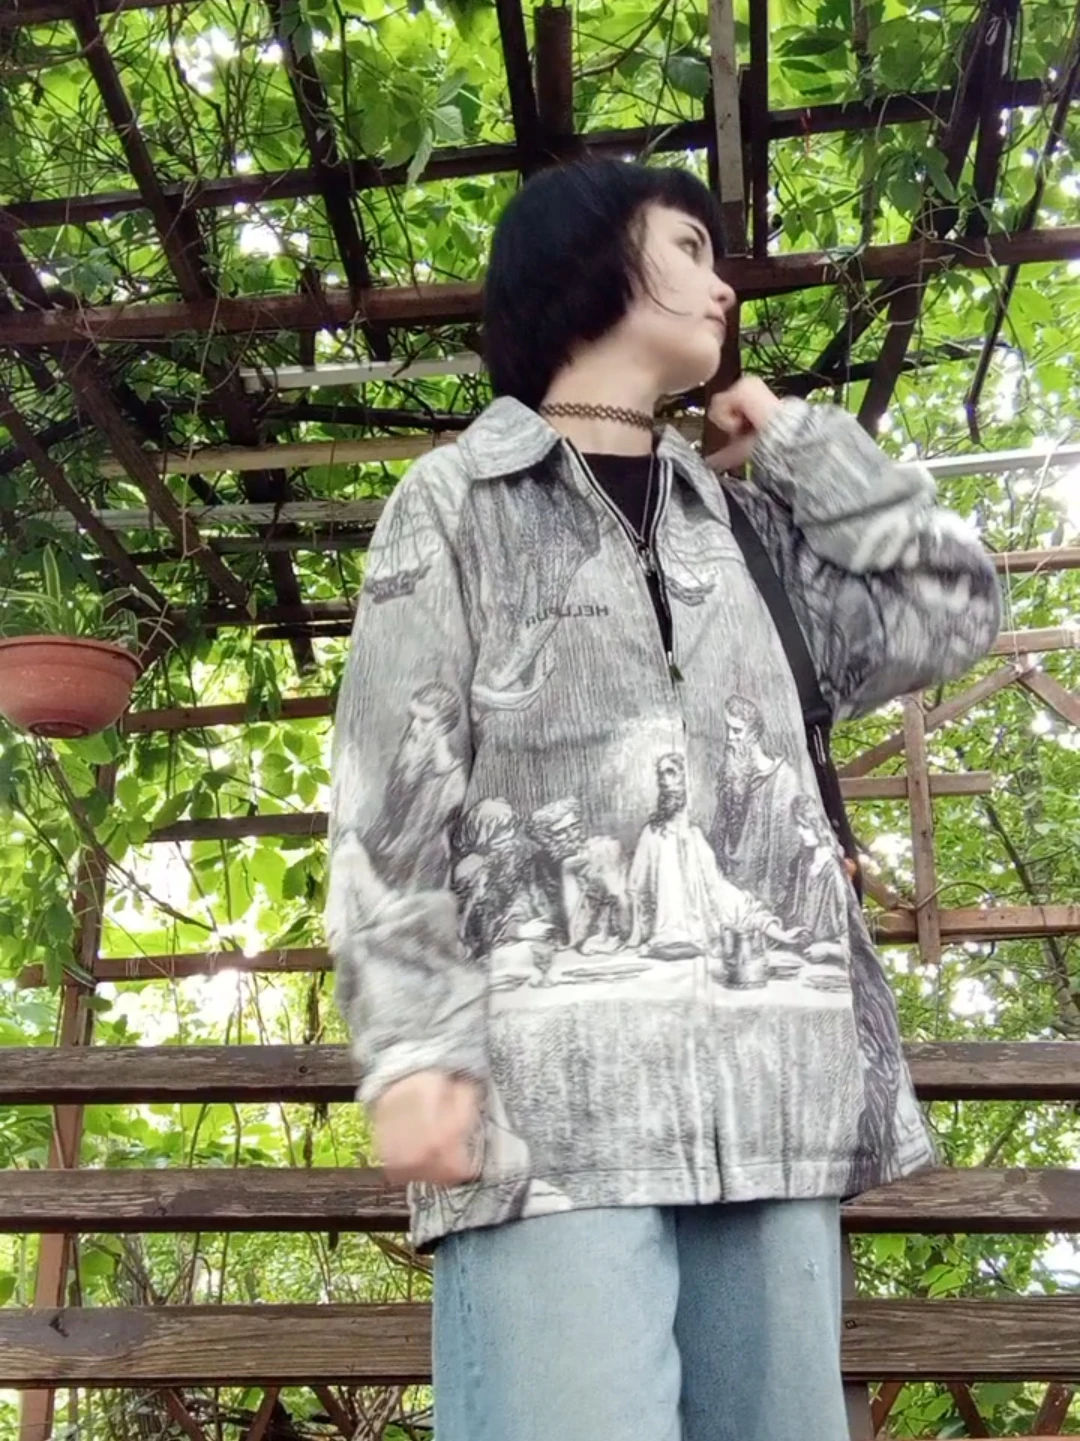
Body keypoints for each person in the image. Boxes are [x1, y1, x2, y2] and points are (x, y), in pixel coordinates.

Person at [327, 159, 1000, 1441]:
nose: (723, 282)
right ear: (588, 258)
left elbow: (953, 604)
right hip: (548, 1111)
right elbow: (392, 795)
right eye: (689, 246)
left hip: (778, 1090)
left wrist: (797, 445)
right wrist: (412, 1048)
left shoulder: (743, 530)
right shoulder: (456, 502)